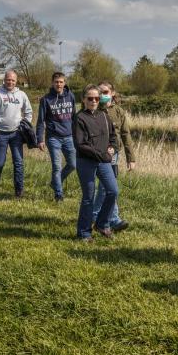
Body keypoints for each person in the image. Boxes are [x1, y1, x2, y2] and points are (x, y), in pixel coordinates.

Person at [72, 84, 119, 241]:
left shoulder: (104, 116)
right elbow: (81, 144)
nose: (93, 101)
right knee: (88, 197)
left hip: (103, 161)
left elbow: (113, 136)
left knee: (113, 191)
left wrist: (112, 147)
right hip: (86, 162)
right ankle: (84, 232)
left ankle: (102, 224)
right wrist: (102, 155)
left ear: (100, 100)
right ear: (84, 99)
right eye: (90, 98)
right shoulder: (79, 118)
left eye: (96, 98)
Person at [91, 81, 135, 232]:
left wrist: (131, 158)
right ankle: (112, 219)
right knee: (108, 187)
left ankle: (97, 216)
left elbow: (125, 134)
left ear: (112, 93)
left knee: (107, 187)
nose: (102, 96)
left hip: (114, 155)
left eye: (105, 92)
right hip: (99, 154)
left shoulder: (119, 112)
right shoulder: (95, 109)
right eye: (100, 92)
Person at [0, 70, 33, 197]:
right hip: (0, 134)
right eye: (8, 79)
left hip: (16, 134)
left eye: (13, 80)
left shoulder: (21, 95)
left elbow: (28, 111)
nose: (10, 82)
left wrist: (25, 125)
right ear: (4, 80)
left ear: (16, 81)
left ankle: (19, 190)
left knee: (18, 162)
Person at [36, 72, 76, 202]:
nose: (59, 84)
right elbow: (40, 121)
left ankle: (55, 183)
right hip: (53, 138)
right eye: (56, 82)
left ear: (65, 83)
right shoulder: (46, 100)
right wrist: (40, 139)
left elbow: (74, 117)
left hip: (69, 137)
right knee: (57, 167)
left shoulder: (71, 96)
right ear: (52, 83)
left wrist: (78, 134)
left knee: (73, 164)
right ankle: (59, 195)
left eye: (61, 82)